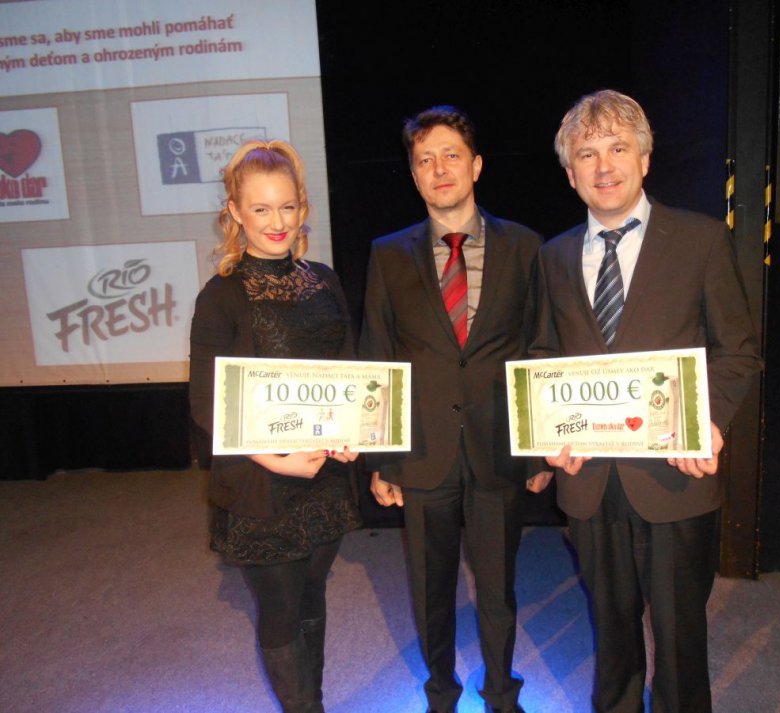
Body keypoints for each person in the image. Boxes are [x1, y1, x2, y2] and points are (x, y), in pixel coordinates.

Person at [532, 90, 763, 712]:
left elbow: (738, 351)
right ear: (570, 173)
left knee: (681, 637)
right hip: (589, 481)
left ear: (645, 157)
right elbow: (543, 357)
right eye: (587, 154)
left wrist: (709, 422)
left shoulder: (701, 240)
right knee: (611, 635)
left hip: (674, 477)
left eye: (618, 148)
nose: (604, 166)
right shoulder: (552, 257)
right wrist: (548, 434)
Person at [359, 106, 546, 713]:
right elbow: (377, 355)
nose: (439, 169)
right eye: (425, 160)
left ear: (477, 165)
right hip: (421, 450)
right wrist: (382, 458)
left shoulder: (526, 246)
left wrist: (539, 448)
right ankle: (441, 693)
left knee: (498, 588)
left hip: (499, 446)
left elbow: (539, 348)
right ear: (414, 175)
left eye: (451, 156)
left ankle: (502, 694)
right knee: (429, 588)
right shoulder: (388, 254)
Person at [189, 139, 360, 713]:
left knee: (312, 600)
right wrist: (276, 458)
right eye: (260, 208)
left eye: (287, 206)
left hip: (324, 478)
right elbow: (207, 402)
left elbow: (348, 373)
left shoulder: (325, 281)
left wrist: (354, 433)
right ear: (235, 211)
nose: (277, 221)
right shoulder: (221, 296)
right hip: (260, 481)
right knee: (282, 611)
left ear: (302, 207)